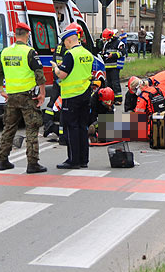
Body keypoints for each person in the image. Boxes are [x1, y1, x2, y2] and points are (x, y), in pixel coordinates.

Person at [0, 22, 47, 174]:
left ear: (15, 35)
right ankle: (32, 163)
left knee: (8, 128)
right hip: (27, 97)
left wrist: (1, 91)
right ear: (27, 35)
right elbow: (39, 74)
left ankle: (3, 160)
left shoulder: (5, 52)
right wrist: (42, 93)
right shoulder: (30, 52)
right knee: (32, 128)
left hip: (11, 97)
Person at [51, 26, 94, 169]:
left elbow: (62, 74)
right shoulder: (87, 53)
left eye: (65, 43)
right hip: (85, 94)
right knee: (83, 127)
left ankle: (73, 160)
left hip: (71, 96)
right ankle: (83, 160)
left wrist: (55, 68)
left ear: (69, 41)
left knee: (71, 128)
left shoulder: (70, 54)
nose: (64, 45)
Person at [43, 22, 83, 140]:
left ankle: (49, 125)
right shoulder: (72, 49)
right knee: (64, 107)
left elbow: (57, 63)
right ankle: (63, 133)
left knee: (53, 103)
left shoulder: (60, 46)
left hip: (59, 79)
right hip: (68, 83)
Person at [101, 28, 125, 105]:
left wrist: (113, 55)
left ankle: (119, 99)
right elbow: (104, 52)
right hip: (107, 67)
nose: (105, 40)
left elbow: (122, 52)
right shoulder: (106, 44)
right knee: (109, 84)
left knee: (115, 83)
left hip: (115, 67)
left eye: (106, 38)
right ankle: (111, 99)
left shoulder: (118, 43)